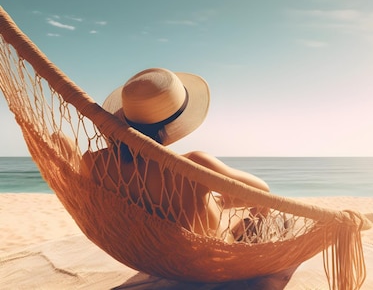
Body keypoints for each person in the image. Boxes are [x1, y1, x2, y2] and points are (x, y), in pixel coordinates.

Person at [81, 68, 269, 239]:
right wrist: (224, 200)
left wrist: (219, 201)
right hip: (205, 258)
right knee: (259, 215)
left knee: (212, 201)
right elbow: (263, 193)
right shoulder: (194, 164)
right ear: (170, 126)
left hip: (144, 251)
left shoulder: (94, 163)